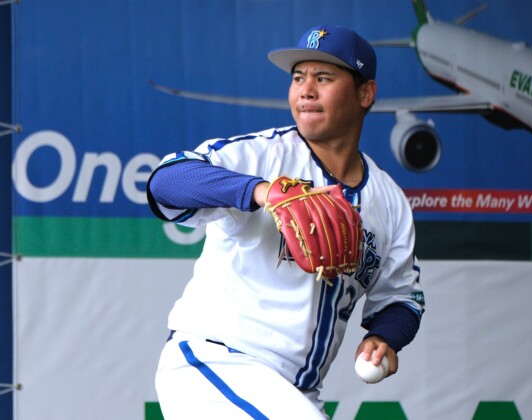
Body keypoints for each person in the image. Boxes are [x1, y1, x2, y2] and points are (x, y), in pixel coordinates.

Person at [147, 24, 425, 419]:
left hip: (295, 393)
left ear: (365, 93)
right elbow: (165, 181)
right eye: (298, 78)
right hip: (217, 365)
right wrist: (262, 192)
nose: (305, 90)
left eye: (323, 78)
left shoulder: (389, 201)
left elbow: (400, 298)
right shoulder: (262, 157)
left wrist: (385, 337)